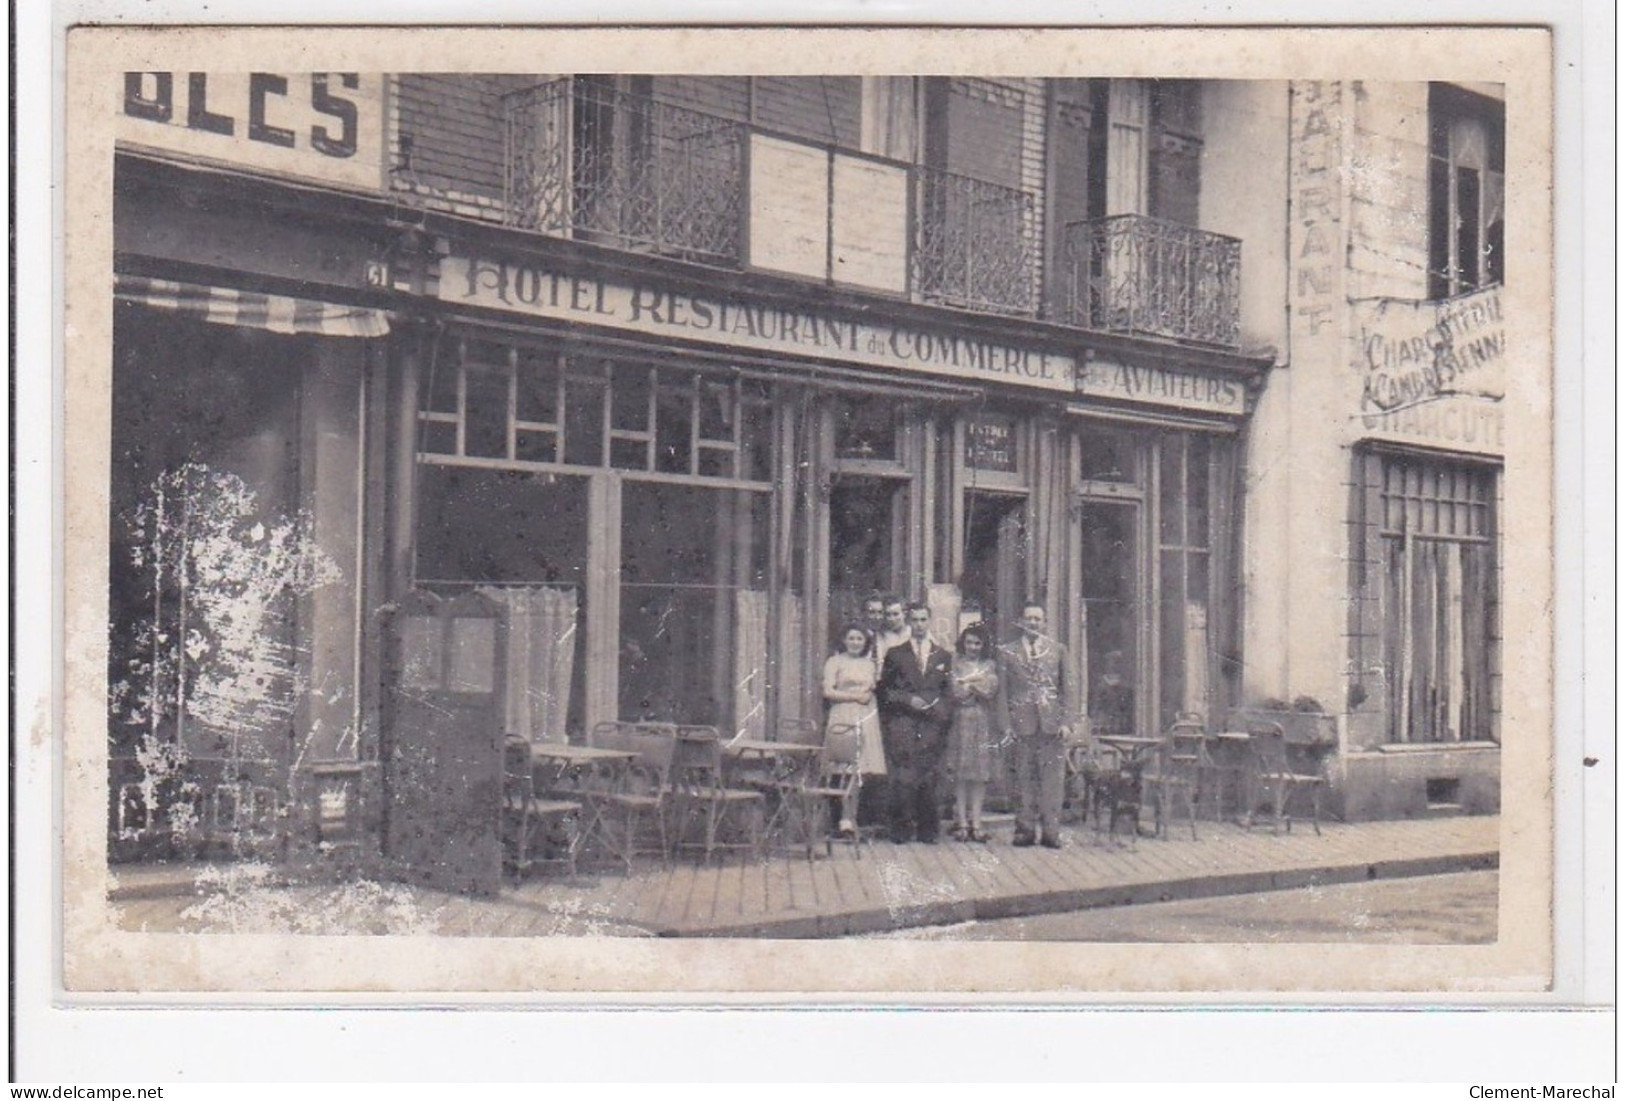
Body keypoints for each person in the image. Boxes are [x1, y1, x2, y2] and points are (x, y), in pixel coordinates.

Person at [996, 601, 1074, 849]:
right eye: (1028, 618)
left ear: (1044, 622)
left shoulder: (1058, 650)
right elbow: (1003, 693)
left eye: (1037, 619)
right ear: (1022, 621)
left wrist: (1067, 722)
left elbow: (1069, 690)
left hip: (1052, 726)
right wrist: (1006, 725)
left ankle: (1051, 832)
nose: (1033, 623)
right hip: (1022, 725)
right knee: (1023, 779)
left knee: (1052, 781)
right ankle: (1025, 830)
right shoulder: (1008, 652)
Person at [878, 601, 954, 844]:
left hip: (932, 725)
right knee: (904, 776)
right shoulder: (896, 654)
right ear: (908, 622)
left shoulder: (942, 655)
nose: (919, 625)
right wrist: (908, 700)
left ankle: (928, 830)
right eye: (915, 620)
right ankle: (901, 829)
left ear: (929, 622)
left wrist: (937, 712)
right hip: (904, 722)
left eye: (923, 620)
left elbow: (947, 693)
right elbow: (886, 692)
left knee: (929, 776)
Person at [820, 623, 887, 838]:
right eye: (851, 638)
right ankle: (840, 819)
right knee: (842, 766)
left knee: (859, 768)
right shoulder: (835, 661)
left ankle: (851, 819)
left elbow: (873, 689)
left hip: (865, 716)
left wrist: (866, 697)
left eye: (859, 639)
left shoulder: (870, 664)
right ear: (844, 640)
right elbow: (828, 691)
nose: (855, 643)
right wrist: (854, 697)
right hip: (842, 714)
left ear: (865, 642)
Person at [947, 623, 1000, 843]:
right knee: (960, 772)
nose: (973, 647)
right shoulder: (956, 663)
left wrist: (971, 686)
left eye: (978, 643)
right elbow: (956, 692)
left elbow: (990, 691)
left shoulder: (989, 664)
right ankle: (962, 822)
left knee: (979, 774)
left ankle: (977, 822)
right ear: (963, 643)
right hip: (960, 720)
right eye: (969, 642)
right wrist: (974, 686)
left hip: (981, 721)